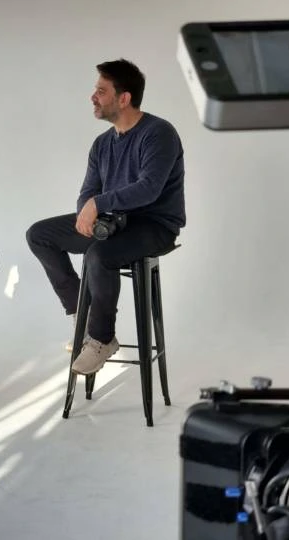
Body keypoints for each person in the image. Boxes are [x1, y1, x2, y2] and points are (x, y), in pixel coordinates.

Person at [26, 59, 185, 376]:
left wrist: (97, 204)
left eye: (101, 91)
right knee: (39, 235)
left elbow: (149, 188)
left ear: (123, 98)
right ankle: (81, 314)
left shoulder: (158, 133)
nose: (93, 97)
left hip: (153, 224)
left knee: (98, 255)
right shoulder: (102, 144)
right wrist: (87, 211)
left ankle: (101, 339)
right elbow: (88, 191)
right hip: (112, 222)